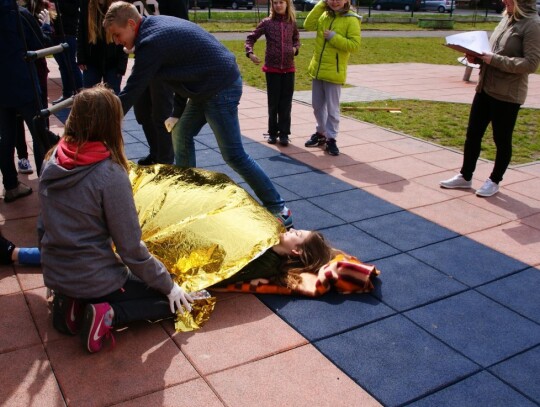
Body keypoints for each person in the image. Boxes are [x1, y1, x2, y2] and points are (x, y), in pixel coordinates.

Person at [103, 1, 293, 227]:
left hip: (221, 87)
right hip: (206, 86)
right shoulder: (152, 29)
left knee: (233, 154)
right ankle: (189, 195)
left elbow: (133, 89)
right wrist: (177, 111)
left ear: (131, 24)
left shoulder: (150, 41)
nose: (116, 41)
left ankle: (278, 207)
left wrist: (105, 123)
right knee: (181, 134)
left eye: (117, 34)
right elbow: (185, 67)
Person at [38, 85, 193, 354]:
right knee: (173, 301)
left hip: (55, 272)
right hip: (94, 277)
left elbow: (42, 226)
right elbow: (131, 250)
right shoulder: (109, 175)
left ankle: (73, 303)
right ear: (111, 124)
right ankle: (107, 314)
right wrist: (169, 286)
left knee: (151, 284)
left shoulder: (52, 159)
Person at [440, 0, 540, 197]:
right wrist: (476, 57)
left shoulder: (533, 24)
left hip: (508, 94)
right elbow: (493, 51)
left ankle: (494, 180)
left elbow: (530, 64)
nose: (503, 1)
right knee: (473, 134)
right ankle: (465, 176)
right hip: (485, 87)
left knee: (501, 140)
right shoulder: (506, 19)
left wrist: (494, 60)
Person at [0, 0, 57, 203]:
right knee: (39, 133)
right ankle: (47, 184)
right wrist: (46, 26)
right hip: (24, 84)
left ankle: (11, 185)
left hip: (2, 89)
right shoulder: (19, 14)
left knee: (5, 138)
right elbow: (40, 43)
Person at [127, 0, 189, 166]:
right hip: (143, 56)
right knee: (141, 110)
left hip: (164, 59)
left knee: (162, 113)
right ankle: (156, 152)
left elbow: (182, 24)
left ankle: (165, 161)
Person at [302, 0, 361, 156]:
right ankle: (321, 133)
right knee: (317, 106)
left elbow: (354, 45)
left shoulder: (351, 19)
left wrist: (334, 37)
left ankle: (331, 138)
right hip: (318, 70)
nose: (335, 2)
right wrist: (321, 5)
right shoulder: (324, 15)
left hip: (334, 73)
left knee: (333, 109)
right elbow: (308, 25)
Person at [245, 0, 300, 147]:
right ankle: (272, 132)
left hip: (289, 69)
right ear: (272, 5)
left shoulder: (292, 23)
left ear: (287, 4)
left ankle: (284, 134)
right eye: (275, 3)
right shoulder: (267, 23)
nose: (278, 5)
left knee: (286, 103)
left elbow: (296, 40)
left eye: (281, 2)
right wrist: (250, 53)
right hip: (272, 69)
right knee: (273, 103)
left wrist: (295, 49)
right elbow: (251, 38)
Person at [77, 0, 128, 93]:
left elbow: (124, 34)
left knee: (112, 97)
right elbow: (81, 31)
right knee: (89, 96)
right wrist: (81, 57)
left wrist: (122, 64)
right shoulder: (86, 4)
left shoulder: (117, 6)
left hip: (113, 60)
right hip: (91, 59)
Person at [51, 0, 83, 104]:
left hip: (68, 31)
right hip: (55, 32)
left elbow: (73, 9)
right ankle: (67, 93)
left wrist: (56, 4)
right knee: (62, 65)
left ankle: (81, 93)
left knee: (70, 64)